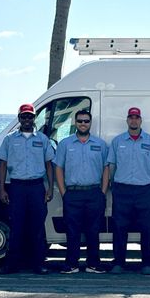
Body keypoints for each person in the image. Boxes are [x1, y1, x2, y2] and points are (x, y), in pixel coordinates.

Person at [0, 104, 55, 275]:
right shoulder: (9, 139)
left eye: (30, 116)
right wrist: (1, 189)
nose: (27, 119)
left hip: (37, 187)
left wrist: (50, 188)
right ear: (19, 118)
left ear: (34, 118)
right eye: (24, 116)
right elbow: (3, 164)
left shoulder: (43, 139)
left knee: (37, 227)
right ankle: (12, 265)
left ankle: (38, 264)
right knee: (16, 226)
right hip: (17, 187)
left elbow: (49, 165)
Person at [107, 107, 150, 275]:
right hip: (122, 190)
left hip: (144, 191)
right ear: (127, 120)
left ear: (141, 120)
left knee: (146, 228)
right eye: (131, 117)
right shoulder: (117, 141)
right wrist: (113, 185)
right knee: (119, 228)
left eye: (136, 117)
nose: (134, 120)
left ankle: (147, 263)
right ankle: (118, 262)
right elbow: (111, 165)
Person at [54, 109, 109, 274]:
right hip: (73, 194)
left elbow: (106, 168)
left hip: (94, 193)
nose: (83, 124)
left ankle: (93, 264)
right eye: (80, 121)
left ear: (90, 123)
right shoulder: (65, 144)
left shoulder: (100, 144)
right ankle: (71, 264)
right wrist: (64, 192)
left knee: (94, 230)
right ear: (75, 123)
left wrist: (103, 192)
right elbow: (58, 168)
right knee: (72, 231)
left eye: (86, 121)